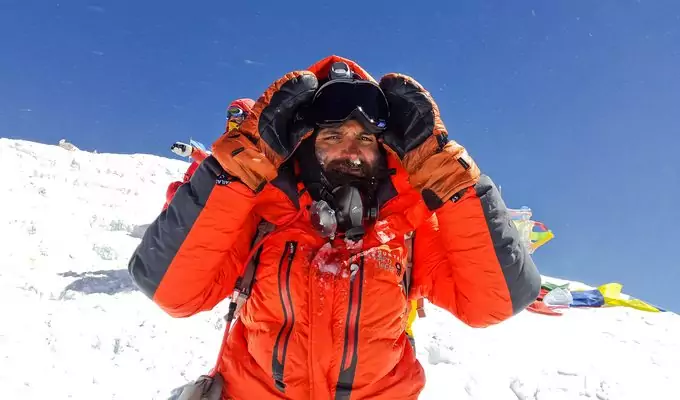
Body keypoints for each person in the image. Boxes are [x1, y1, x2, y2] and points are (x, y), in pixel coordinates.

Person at [129, 55, 540, 400]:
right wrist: (241, 165)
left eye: (366, 138)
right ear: (302, 148)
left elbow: (495, 302)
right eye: (332, 136)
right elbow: (172, 291)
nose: (352, 149)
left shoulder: (409, 226)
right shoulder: (260, 214)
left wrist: (447, 174)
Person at [162, 98, 255, 211]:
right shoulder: (223, 146)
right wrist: (193, 152)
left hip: (224, 205)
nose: (232, 119)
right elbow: (215, 163)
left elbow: (223, 167)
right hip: (197, 202)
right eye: (229, 116)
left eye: (237, 115)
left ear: (249, 117)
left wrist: (194, 153)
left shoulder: (253, 149)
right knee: (174, 189)